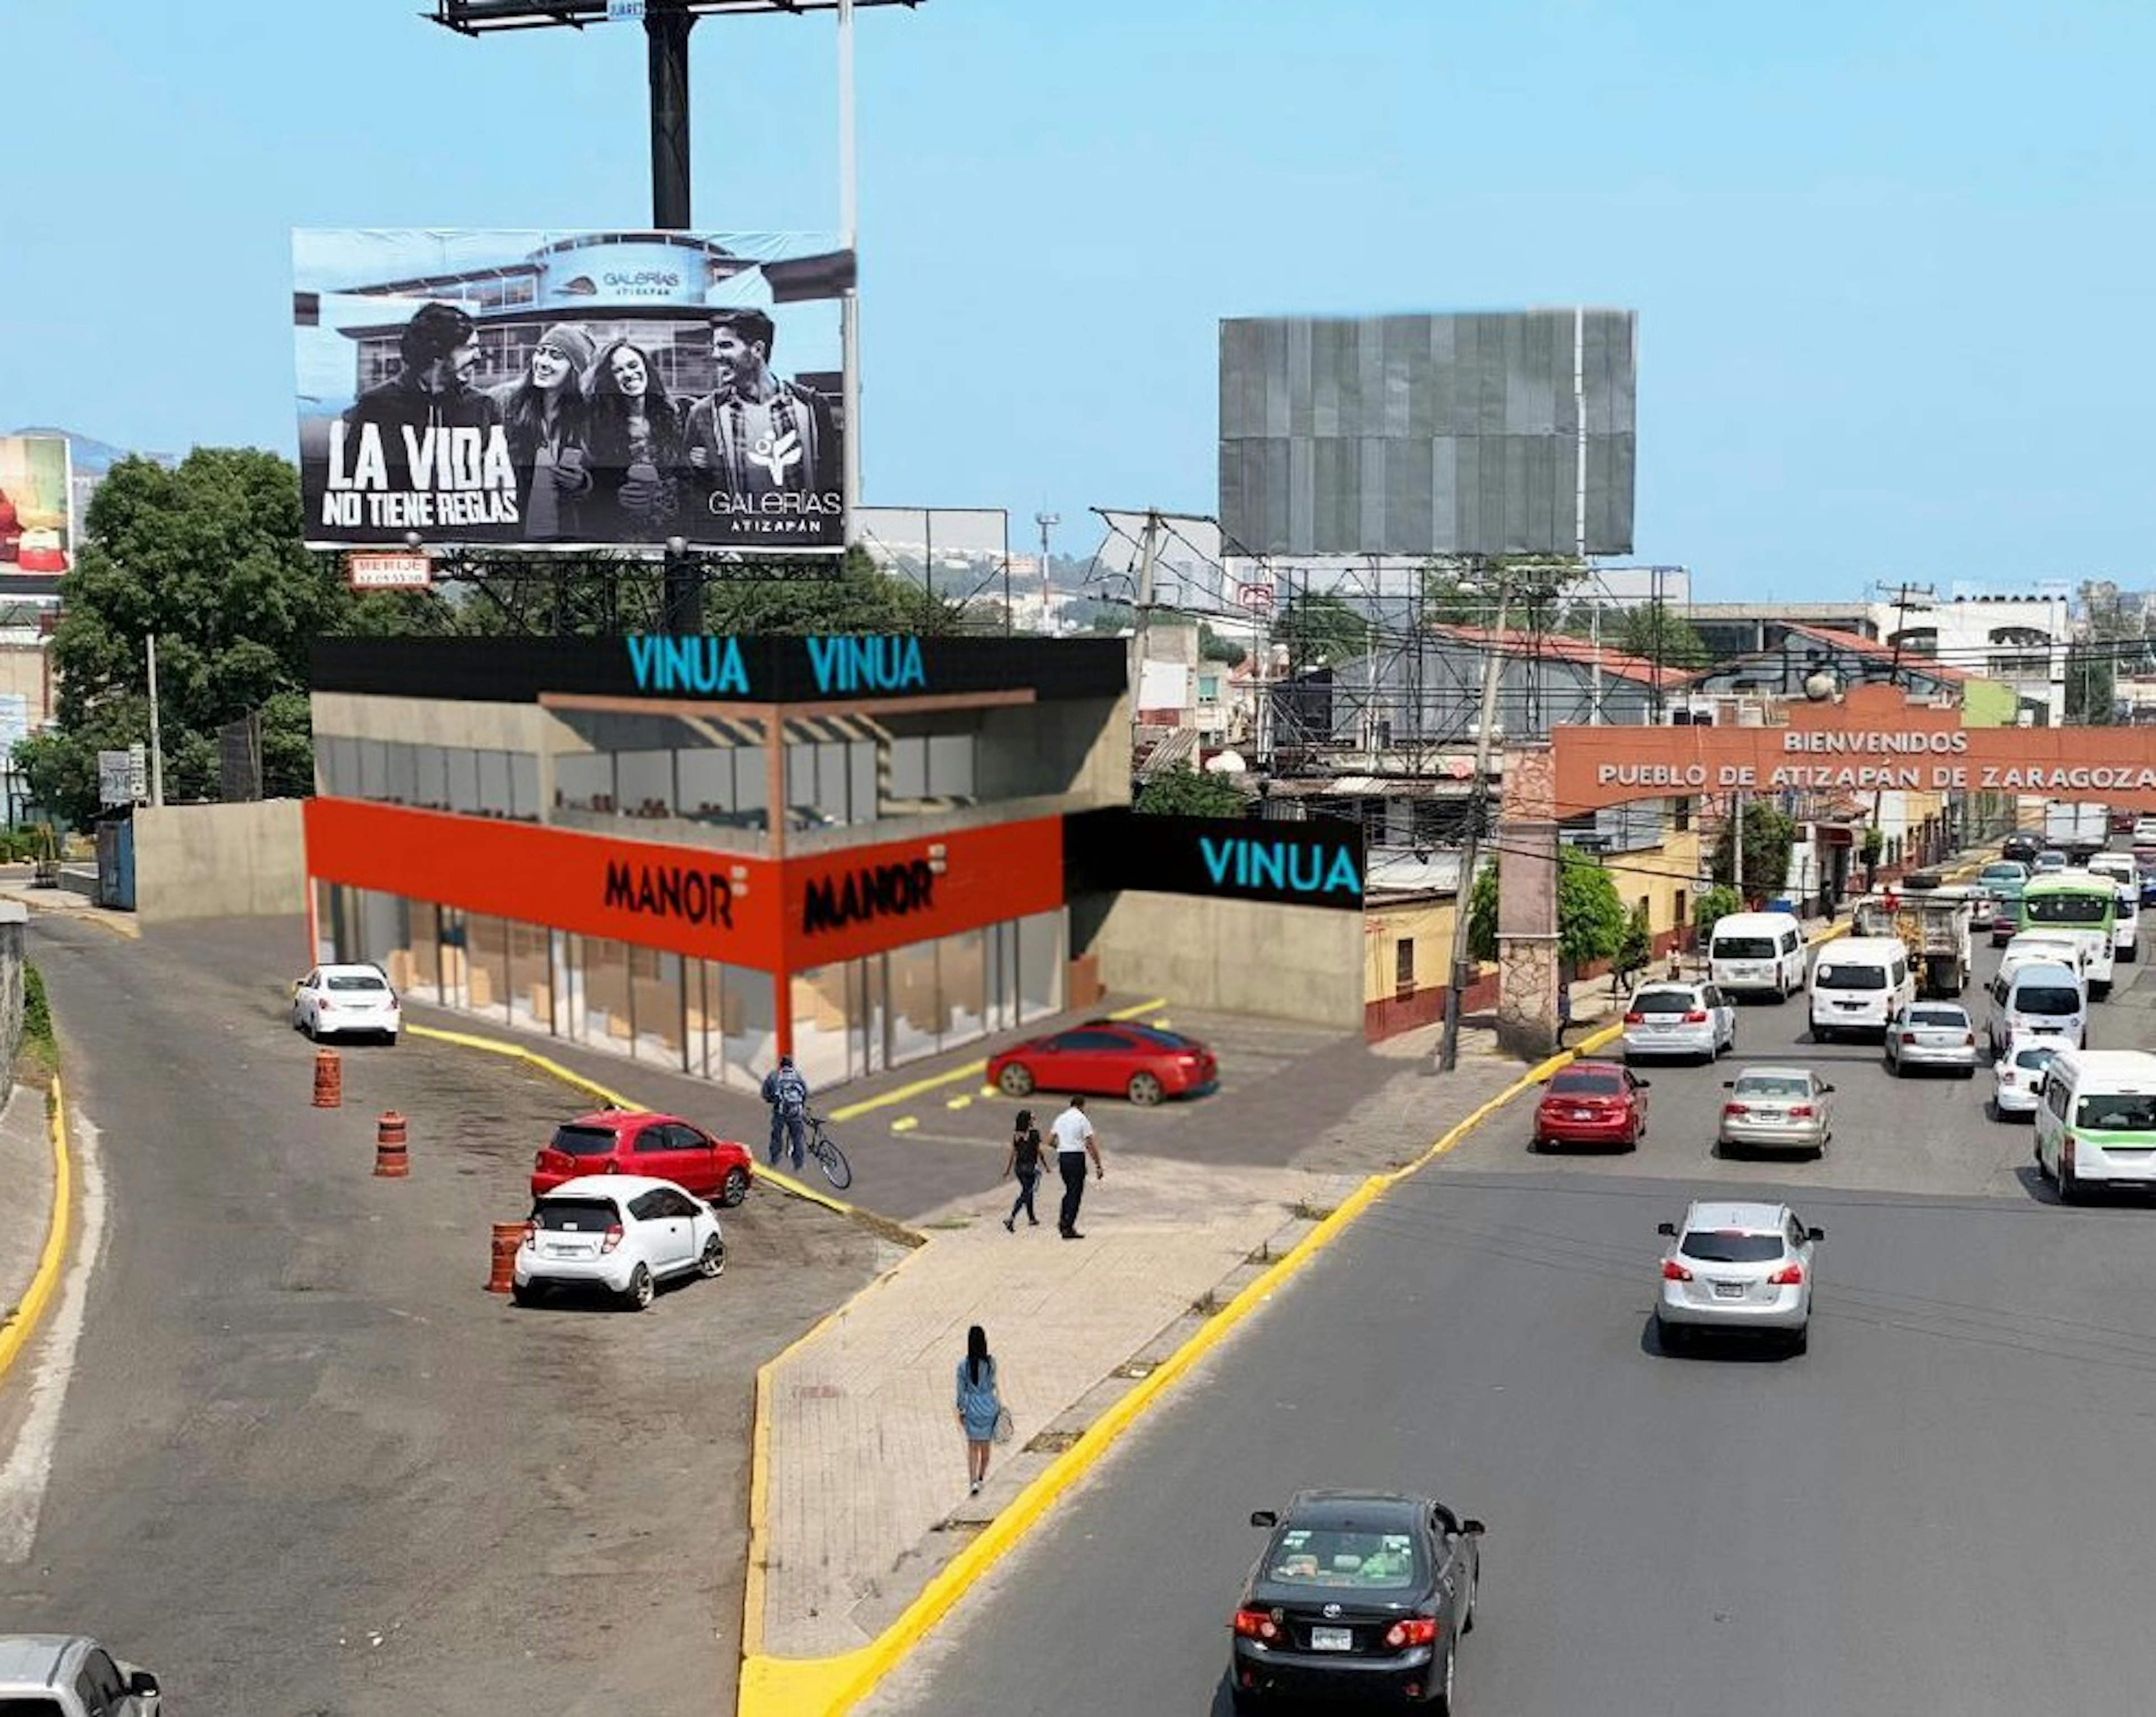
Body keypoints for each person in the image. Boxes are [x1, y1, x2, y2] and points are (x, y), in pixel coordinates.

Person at [683, 308, 841, 517]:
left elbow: (832, 483)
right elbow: (691, 491)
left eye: (725, 345)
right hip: (737, 542)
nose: (715, 355)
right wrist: (701, 470)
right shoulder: (704, 414)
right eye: (714, 347)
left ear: (757, 350)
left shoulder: (812, 407)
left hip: (802, 541)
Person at [341, 301, 503, 494]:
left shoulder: (483, 406)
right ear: (437, 352)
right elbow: (351, 478)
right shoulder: (377, 405)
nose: (479, 356)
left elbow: (498, 480)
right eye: (470, 348)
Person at [494, 324, 595, 541]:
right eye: (541, 352)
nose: (543, 362)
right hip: (510, 536)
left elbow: (601, 479)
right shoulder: (502, 402)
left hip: (564, 537)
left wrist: (582, 483)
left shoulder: (585, 415)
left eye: (556, 356)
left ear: (575, 370)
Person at [585, 337, 686, 541]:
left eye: (633, 366)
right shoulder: (597, 428)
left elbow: (689, 479)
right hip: (623, 536)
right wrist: (615, 498)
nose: (629, 374)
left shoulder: (676, 415)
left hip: (674, 536)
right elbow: (592, 490)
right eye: (618, 370)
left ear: (646, 369)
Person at [953, 1324, 1002, 1497]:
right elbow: (994, 1385)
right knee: (985, 1448)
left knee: (973, 1447)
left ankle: (973, 1481)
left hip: (972, 1409)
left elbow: (960, 1392)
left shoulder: (962, 1366)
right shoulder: (991, 1363)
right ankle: (981, 1477)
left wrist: (961, 1409)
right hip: (989, 1407)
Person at [1049, 1095, 1103, 1240]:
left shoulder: (1060, 1118)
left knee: (1069, 1190)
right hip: (1076, 1158)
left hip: (1063, 1158)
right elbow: (1090, 1144)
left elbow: (1050, 1140)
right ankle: (1068, 1227)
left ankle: (1063, 1220)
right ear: (1081, 1106)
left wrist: (1061, 1147)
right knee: (1076, 1193)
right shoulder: (1082, 1119)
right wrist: (1098, 1165)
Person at [760, 1053, 810, 1172]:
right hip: (795, 1112)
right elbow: (805, 1093)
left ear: (780, 1066)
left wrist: (772, 1100)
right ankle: (799, 1164)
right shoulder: (798, 1076)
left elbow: (765, 1094)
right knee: (797, 1138)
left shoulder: (774, 1076)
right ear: (792, 1065)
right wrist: (800, 1105)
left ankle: (774, 1160)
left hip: (780, 1111)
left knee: (777, 1136)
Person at [1002, 1109, 1044, 1233]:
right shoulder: (1035, 1134)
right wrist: (1046, 1166)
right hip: (1030, 1168)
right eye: (1032, 1118)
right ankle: (1011, 1218)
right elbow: (1039, 1151)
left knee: (1027, 1191)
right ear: (1028, 1121)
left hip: (1019, 1169)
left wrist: (1008, 1170)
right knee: (1026, 1193)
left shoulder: (1016, 1135)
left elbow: (1013, 1153)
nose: (1034, 1120)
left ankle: (1032, 1218)